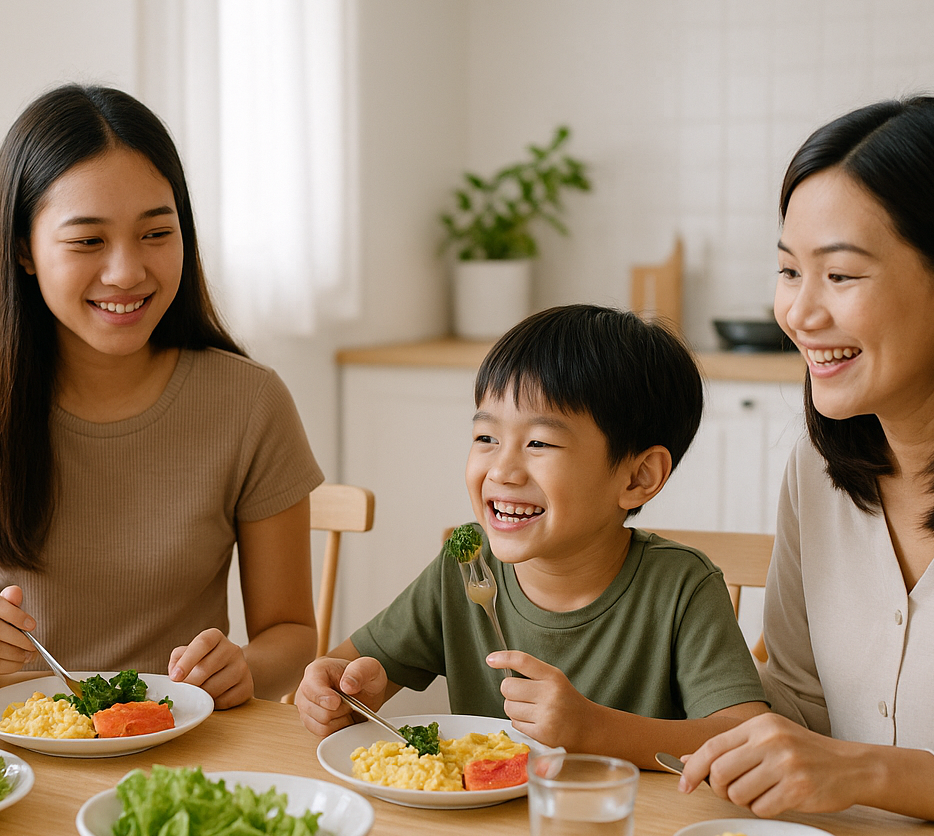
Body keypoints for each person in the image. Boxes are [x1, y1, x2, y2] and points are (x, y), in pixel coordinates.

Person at [679, 97, 934, 836]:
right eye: (790, 271)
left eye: (841, 276)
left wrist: (864, 770)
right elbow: (796, 701)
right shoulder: (820, 467)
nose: (799, 313)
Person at [0, 85, 322, 708]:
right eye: (87, 241)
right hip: (23, 741)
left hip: (182, 744)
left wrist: (243, 667)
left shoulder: (251, 404)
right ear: (22, 250)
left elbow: (292, 633)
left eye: (156, 233)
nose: (126, 272)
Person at [295, 306, 769, 766]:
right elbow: (346, 669)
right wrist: (340, 691)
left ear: (637, 477)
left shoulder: (682, 589)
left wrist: (594, 730)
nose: (501, 469)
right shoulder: (467, 565)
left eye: (539, 442)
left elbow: (745, 739)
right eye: (486, 438)